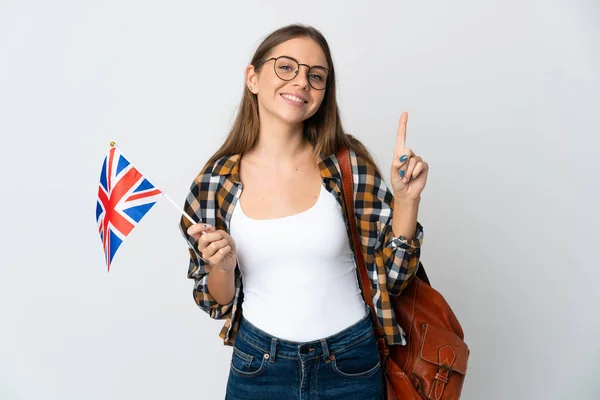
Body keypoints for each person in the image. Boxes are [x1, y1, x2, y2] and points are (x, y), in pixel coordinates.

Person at [179, 24, 428, 400]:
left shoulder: (348, 166)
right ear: (253, 78)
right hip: (259, 367)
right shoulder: (214, 183)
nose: (301, 82)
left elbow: (393, 281)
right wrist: (222, 267)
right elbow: (217, 302)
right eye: (285, 67)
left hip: (351, 363)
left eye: (316, 76)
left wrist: (407, 200)